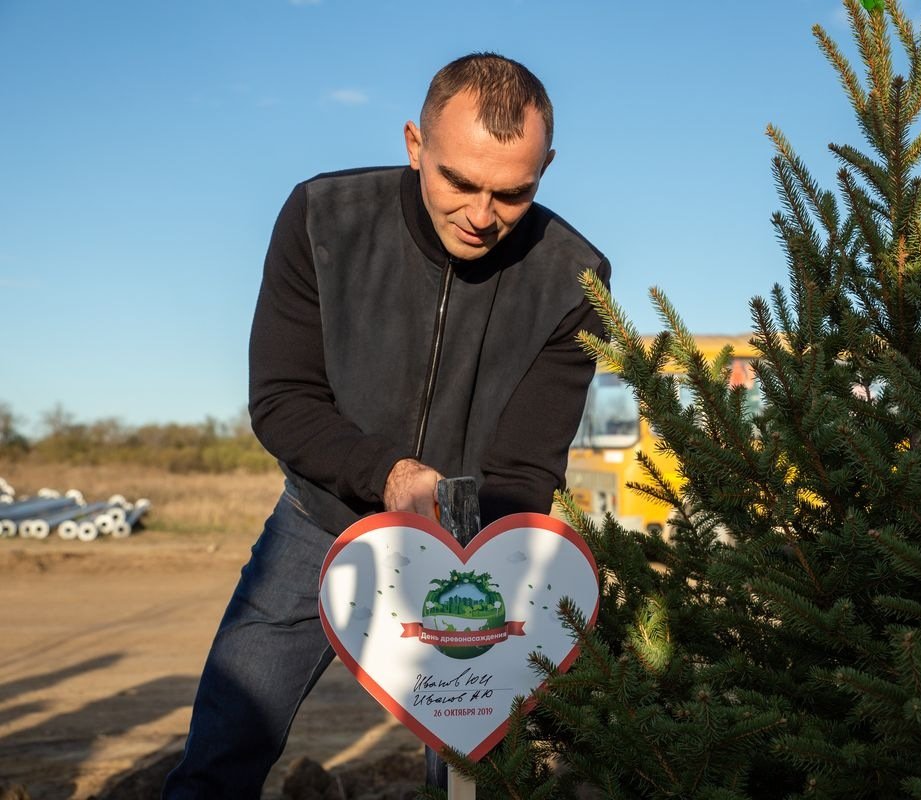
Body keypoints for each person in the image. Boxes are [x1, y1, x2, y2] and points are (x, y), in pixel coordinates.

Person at [163, 52, 609, 798]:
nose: (482, 216)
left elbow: (528, 468)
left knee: (476, 765)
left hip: (476, 545)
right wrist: (389, 475)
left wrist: (474, 564)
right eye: (458, 181)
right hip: (322, 521)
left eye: (513, 193)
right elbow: (283, 398)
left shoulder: (574, 278)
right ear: (414, 143)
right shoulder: (321, 218)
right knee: (226, 742)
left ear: (546, 168)